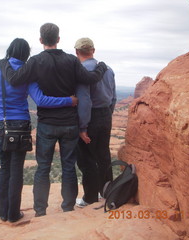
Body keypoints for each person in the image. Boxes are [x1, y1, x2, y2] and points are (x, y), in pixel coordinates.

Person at [0, 23, 108, 217]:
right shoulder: (71, 60)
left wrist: (4, 63)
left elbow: (14, 79)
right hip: (69, 124)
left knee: (43, 168)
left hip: (47, 124)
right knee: (68, 166)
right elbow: (91, 78)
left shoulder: (35, 61)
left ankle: (40, 210)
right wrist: (101, 67)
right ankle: (67, 207)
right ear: (58, 39)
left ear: (41, 40)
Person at [0, 38, 77, 222]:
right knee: (16, 170)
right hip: (20, 125)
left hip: (1, 123)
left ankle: (2, 212)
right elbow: (42, 100)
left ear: (10, 50)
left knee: (5, 168)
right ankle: (13, 214)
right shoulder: (28, 74)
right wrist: (69, 100)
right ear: (26, 53)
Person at [74, 37, 117, 207]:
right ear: (93, 50)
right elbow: (113, 97)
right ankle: (109, 194)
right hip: (105, 115)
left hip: (89, 117)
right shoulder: (108, 69)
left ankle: (90, 197)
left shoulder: (81, 71)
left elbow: (84, 100)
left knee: (86, 159)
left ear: (77, 52)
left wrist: (83, 127)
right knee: (103, 156)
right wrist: (108, 114)